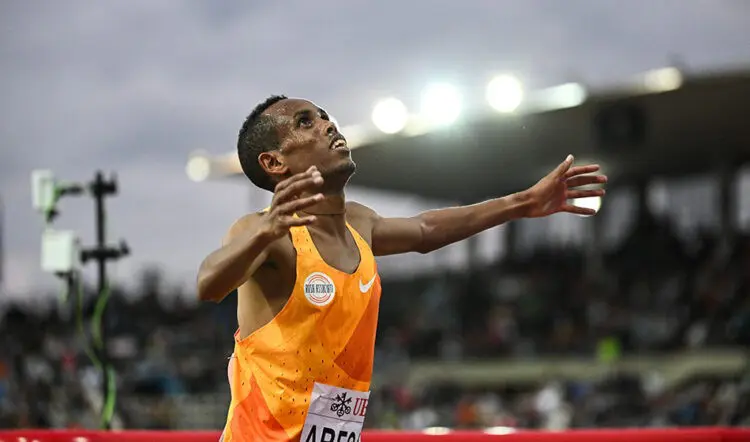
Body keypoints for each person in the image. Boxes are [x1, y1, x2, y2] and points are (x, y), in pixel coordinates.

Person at [197, 95, 606, 441]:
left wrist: (524, 203)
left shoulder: (359, 224)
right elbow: (208, 284)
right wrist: (265, 232)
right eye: (305, 122)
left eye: (324, 117)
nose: (327, 125)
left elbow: (426, 229)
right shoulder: (263, 233)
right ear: (274, 162)